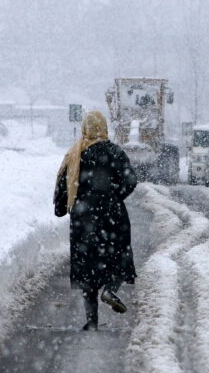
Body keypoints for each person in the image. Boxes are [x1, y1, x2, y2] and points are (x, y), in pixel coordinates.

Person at [54, 110, 138, 331]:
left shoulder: (75, 153)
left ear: (85, 128)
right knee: (118, 256)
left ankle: (92, 321)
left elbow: (64, 183)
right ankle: (110, 289)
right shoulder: (114, 152)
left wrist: (63, 206)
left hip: (83, 216)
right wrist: (114, 196)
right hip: (112, 214)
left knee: (87, 266)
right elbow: (130, 180)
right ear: (104, 127)